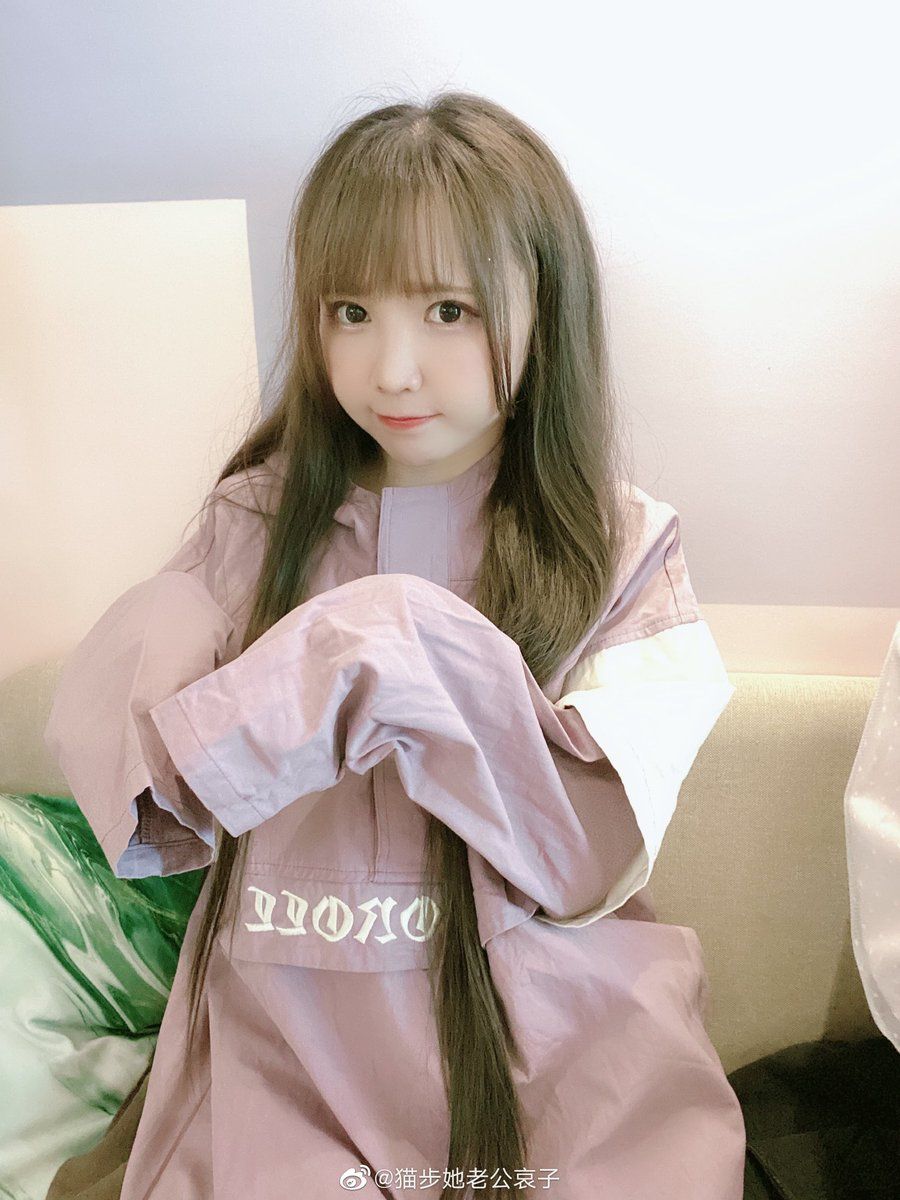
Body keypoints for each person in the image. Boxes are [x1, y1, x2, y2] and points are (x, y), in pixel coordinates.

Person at [43, 90, 746, 1200]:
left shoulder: (620, 549)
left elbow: (586, 860)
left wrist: (399, 649)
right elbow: (152, 785)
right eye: (352, 311)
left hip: (553, 1052)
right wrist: (180, 657)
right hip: (289, 1045)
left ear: (545, 303)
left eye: (449, 310)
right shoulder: (257, 524)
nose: (392, 368)